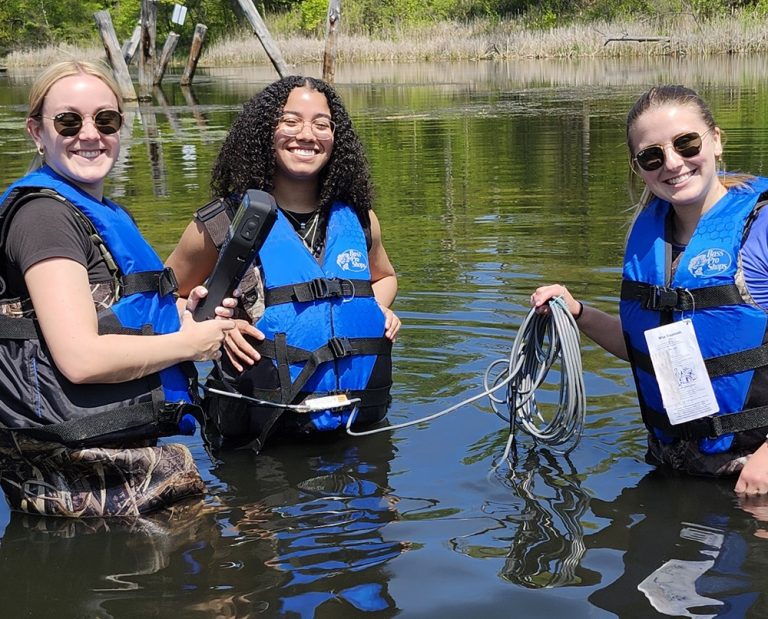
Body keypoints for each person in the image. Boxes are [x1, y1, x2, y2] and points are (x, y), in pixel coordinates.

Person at [0, 60, 236, 517]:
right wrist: (187, 344)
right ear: (36, 131)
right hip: (79, 474)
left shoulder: (93, 208)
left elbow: (106, 311)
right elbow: (80, 358)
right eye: (68, 121)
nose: (90, 134)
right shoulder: (45, 219)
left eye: (105, 120)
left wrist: (179, 315)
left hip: (118, 455)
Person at [531, 84, 768, 494]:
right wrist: (577, 312)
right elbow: (646, 349)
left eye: (686, 143)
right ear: (638, 167)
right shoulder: (649, 239)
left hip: (754, 479)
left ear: (715, 141)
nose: (673, 163)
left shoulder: (761, 229)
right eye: (652, 156)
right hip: (673, 468)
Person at [167, 75, 400, 452]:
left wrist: (377, 309)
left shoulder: (359, 218)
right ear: (264, 131)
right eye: (290, 121)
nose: (306, 135)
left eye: (321, 124)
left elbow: (385, 277)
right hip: (259, 441)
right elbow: (164, 302)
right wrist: (216, 329)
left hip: (359, 430)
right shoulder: (221, 222)